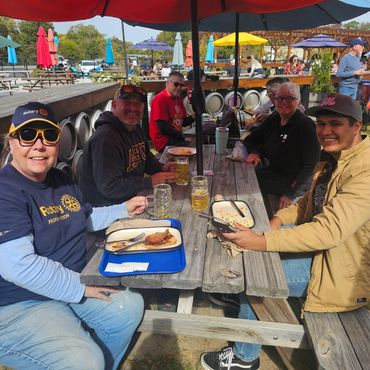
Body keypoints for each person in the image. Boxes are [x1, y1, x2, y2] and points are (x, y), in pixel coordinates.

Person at [200, 93, 370, 370]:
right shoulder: (334, 159)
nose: (326, 131)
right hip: (324, 249)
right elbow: (306, 204)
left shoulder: (365, 169)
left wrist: (263, 239)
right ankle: (241, 305)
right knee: (250, 245)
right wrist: (278, 219)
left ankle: (244, 357)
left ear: (356, 126)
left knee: (255, 273)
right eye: (322, 123)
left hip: (340, 271)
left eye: (335, 124)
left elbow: (330, 231)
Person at [0, 102, 147, 370]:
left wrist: (123, 209)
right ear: (11, 142)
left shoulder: (60, 179)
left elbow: (84, 217)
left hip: (70, 282)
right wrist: (78, 288)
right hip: (19, 302)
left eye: (48, 135)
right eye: (28, 134)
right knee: (84, 361)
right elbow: (17, 266)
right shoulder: (5, 192)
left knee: (129, 308)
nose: (39, 144)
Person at [79, 85, 176, 207]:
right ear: (114, 105)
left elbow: (146, 159)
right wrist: (150, 181)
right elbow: (110, 187)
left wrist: (162, 168)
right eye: (127, 102)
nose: (133, 108)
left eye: (138, 104)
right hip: (106, 210)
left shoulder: (135, 128)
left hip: (130, 200)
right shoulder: (105, 138)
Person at [244, 82, 320, 210]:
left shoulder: (305, 125)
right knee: (245, 177)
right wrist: (255, 152)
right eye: (280, 98)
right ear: (275, 100)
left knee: (248, 183)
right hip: (275, 172)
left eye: (289, 98)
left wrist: (290, 193)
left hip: (293, 181)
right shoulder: (274, 119)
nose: (284, 102)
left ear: (298, 101)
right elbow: (251, 139)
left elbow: (311, 165)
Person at [149, 71, 194, 152]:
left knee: (200, 141)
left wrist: (194, 116)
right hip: (164, 142)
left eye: (181, 85)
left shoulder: (178, 99)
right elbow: (163, 128)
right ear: (167, 83)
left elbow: (182, 122)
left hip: (175, 139)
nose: (179, 88)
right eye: (176, 84)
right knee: (194, 147)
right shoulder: (160, 99)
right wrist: (183, 137)